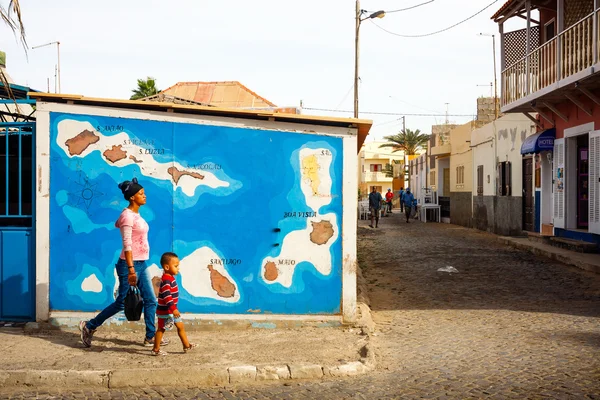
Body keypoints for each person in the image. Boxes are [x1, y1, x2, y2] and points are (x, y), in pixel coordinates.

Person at [79, 178, 165, 348]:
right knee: (121, 303)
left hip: (141, 263)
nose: (144, 196)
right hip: (129, 265)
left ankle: (150, 336)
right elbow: (127, 244)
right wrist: (132, 270)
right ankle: (89, 326)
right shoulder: (127, 216)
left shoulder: (135, 215)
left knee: (150, 300)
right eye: (141, 193)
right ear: (132, 197)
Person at [152, 252, 197, 356]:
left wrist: (173, 309)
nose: (178, 268)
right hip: (166, 311)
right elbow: (167, 296)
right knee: (161, 329)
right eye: (176, 266)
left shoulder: (170, 278)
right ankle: (156, 349)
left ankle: (186, 346)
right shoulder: (166, 280)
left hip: (172, 311)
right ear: (167, 267)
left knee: (180, 327)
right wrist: (174, 309)